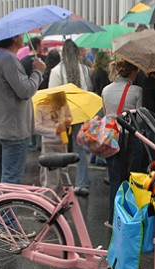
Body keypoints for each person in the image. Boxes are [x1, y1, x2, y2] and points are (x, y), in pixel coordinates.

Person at [0, 34, 45, 205]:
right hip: (12, 129)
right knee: (11, 180)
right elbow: (25, 90)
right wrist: (38, 71)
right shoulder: (9, 59)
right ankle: (7, 226)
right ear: (15, 38)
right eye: (20, 35)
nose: (23, 37)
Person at [101, 59, 143, 225]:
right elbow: (139, 117)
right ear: (132, 72)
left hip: (110, 137)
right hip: (129, 137)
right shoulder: (137, 90)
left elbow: (106, 113)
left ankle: (112, 218)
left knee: (114, 178)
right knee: (129, 178)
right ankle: (128, 217)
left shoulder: (105, 90)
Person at [49, 39, 93, 196]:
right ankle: (82, 183)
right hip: (80, 113)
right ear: (77, 53)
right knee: (80, 148)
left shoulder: (56, 71)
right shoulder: (85, 70)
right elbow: (88, 91)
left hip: (62, 115)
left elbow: (53, 96)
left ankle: (63, 184)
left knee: (60, 149)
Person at [34, 91, 73, 190]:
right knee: (49, 175)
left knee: (63, 173)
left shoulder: (64, 105)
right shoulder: (40, 107)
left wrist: (68, 121)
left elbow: (69, 116)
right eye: (57, 105)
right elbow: (36, 127)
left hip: (62, 141)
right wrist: (55, 131)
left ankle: (60, 197)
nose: (59, 107)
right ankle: (48, 197)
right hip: (48, 142)